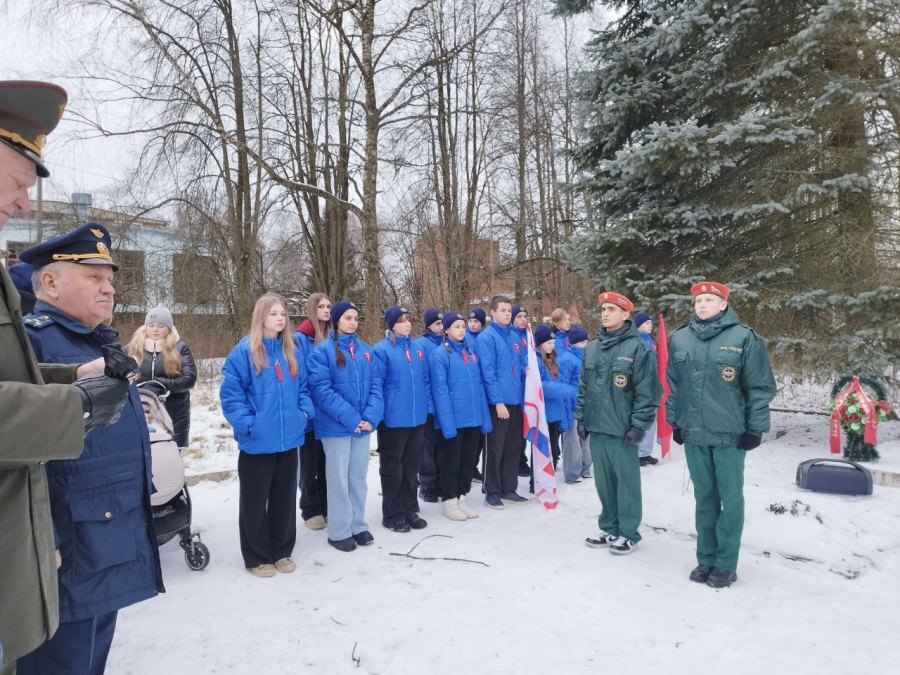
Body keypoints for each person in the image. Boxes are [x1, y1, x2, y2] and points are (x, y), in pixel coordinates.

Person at [0, 81, 130, 674]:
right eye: (18, 181)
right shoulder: (38, 325)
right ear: (49, 285)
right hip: (55, 550)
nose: (24, 202)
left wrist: (77, 376)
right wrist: (73, 402)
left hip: (96, 545)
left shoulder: (92, 340)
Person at [18, 222, 164, 674]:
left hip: (106, 540)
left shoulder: (98, 339)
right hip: (67, 552)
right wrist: (46, 543)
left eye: (111, 279)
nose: (109, 289)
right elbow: (21, 452)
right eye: (94, 278)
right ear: (50, 283)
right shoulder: (31, 343)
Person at [666, 281, 776, 588]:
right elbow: (674, 385)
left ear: (724, 304)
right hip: (695, 433)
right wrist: (675, 421)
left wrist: (755, 427)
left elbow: (759, 387)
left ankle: (726, 564)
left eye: (709, 300)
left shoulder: (743, 337)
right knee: (704, 499)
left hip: (730, 435)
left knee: (730, 499)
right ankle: (706, 559)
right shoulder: (682, 339)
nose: (701, 305)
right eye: (698, 300)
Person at [220, 293, 314, 578]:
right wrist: (250, 424)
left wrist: (303, 415)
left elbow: (305, 390)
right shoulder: (244, 352)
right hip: (258, 442)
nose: (280, 318)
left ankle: (282, 550)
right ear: (261, 317)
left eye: (283, 314)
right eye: (274, 314)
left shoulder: (292, 351)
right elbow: (231, 397)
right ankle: (258, 556)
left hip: (288, 440)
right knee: (254, 501)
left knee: (284, 498)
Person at [577, 291, 662, 556]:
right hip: (598, 426)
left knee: (627, 483)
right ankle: (609, 526)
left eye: (612, 309)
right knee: (604, 482)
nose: (605, 314)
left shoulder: (638, 348)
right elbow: (584, 387)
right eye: (603, 309)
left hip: (622, 429)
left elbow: (648, 392)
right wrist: (582, 417)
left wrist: (638, 425)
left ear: (626, 315)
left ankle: (628, 533)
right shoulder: (592, 347)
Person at [307, 301, 383, 552]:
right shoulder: (321, 352)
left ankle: (358, 525)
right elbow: (321, 391)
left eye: (356, 318)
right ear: (336, 321)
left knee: (357, 478)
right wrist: (352, 418)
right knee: (338, 479)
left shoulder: (365, 351)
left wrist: (370, 416)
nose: (353, 322)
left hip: (362, 426)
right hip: (336, 427)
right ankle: (339, 530)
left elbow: (375, 385)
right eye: (348, 318)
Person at [372, 305, 430, 532]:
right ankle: (393, 513)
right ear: (392, 325)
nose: (407, 323)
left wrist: (425, 407)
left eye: (409, 319)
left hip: (416, 419)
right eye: (401, 320)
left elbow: (425, 381)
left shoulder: (417, 350)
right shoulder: (381, 350)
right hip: (393, 420)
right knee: (392, 467)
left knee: (411, 467)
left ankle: (409, 509)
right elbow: (376, 383)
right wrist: (382, 414)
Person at [429, 312, 492, 521]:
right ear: (446, 330)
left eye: (463, 326)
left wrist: (484, 418)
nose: (462, 329)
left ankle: (461, 496)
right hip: (454, 420)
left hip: (472, 419)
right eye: (456, 326)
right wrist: (447, 424)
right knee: (451, 462)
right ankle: (449, 500)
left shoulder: (470, 352)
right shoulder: (440, 354)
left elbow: (479, 386)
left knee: (467, 461)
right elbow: (441, 391)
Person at [475, 295, 527, 509]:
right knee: (494, 448)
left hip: (515, 400)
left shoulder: (514, 337)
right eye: (503, 310)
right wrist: (497, 401)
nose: (507, 314)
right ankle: (492, 490)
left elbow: (519, 364)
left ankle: (508, 487)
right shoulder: (487, 338)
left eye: (509, 310)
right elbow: (488, 372)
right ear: (492, 313)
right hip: (498, 403)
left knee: (513, 447)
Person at [127, 305, 197, 448]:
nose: (155, 329)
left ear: (169, 328)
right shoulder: (132, 347)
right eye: (151, 325)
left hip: (173, 413)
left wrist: (158, 383)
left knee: (169, 461)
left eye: (160, 326)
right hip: (140, 412)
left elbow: (189, 380)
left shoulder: (180, 348)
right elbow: (118, 375)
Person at [294, 293, 332, 530]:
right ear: (312, 309)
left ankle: (327, 506)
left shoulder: (334, 335)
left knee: (327, 464)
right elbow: (300, 377)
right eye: (321, 306)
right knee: (308, 465)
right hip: (310, 414)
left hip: (330, 413)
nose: (326, 310)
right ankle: (310, 508)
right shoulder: (300, 338)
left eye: (329, 306)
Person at [533, 325, 579, 472]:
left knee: (553, 449)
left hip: (554, 412)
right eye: (548, 343)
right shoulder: (535, 361)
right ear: (539, 343)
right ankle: (537, 484)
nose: (551, 346)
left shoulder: (552, 359)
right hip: (542, 413)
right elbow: (542, 386)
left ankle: (549, 480)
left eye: (553, 343)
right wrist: (568, 390)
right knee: (542, 451)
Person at [413, 307, 444, 503]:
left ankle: (440, 481)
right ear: (428, 326)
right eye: (437, 324)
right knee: (427, 448)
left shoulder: (446, 343)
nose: (441, 327)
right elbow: (422, 378)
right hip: (428, 405)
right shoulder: (421, 345)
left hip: (444, 405)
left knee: (442, 447)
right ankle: (427, 484)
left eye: (442, 323)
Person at [560, 325, 592, 483]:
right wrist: (566, 408)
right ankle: (572, 473)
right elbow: (563, 385)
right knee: (572, 441)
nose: (585, 345)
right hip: (572, 405)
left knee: (585, 438)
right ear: (573, 343)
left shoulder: (589, 358)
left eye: (587, 341)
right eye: (582, 342)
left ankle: (585, 467)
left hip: (586, 405)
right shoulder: (566, 359)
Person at [632, 311, 659, 467]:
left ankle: (646, 452)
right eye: (647, 323)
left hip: (652, 385)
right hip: (640, 386)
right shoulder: (635, 341)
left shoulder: (650, 341)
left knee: (651, 418)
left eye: (651, 323)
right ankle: (637, 452)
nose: (650, 326)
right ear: (638, 325)